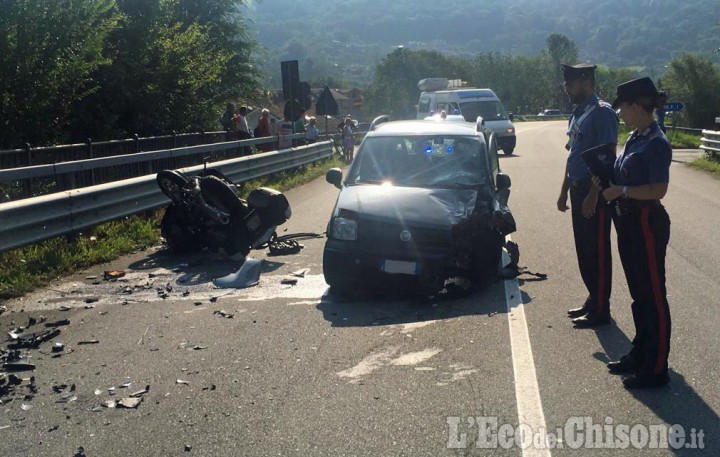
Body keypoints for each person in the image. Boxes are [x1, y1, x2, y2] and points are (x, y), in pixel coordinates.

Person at [600, 77, 672, 389]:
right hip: (629, 221)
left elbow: (659, 189)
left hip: (646, 221)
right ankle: (641, 352)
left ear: (635, 106)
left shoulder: (656, 142)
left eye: (623, 108)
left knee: (653, 295)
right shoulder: (635, 137)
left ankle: (656, 366)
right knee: (638, 294)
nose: (620, 114)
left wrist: (622, 190)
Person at [556, 63, 619, 328]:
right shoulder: (579, 113)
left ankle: (601, 309)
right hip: (578, 188)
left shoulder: (602, 114)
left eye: (570, 85)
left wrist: (594, 195)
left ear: (584, 82)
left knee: (598, 250)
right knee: (584, 250)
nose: (566, 90)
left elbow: (607, 159)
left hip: (595, 191)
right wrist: (563, 192)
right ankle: (593, 298)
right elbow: (574, 156)